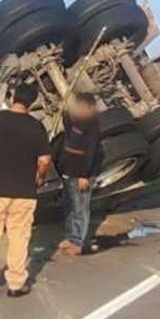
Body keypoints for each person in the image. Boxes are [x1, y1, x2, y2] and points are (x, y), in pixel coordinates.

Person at [0, 83, 52, 298]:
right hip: (24, 192)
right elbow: (44, 160)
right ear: (31, 103)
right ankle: (16, 284)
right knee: (19, 237)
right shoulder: (36, 126)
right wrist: (40, 177)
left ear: (13, 97)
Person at [57, 93, 101, 256]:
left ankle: (78, 242)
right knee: (69, 206)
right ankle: (70, 236)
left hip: (82, 174)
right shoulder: (75, 121)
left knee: (80, 208)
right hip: (68, 171)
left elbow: (90, 152)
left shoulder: (92, 125)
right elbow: (66, 120)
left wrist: (84, 175)